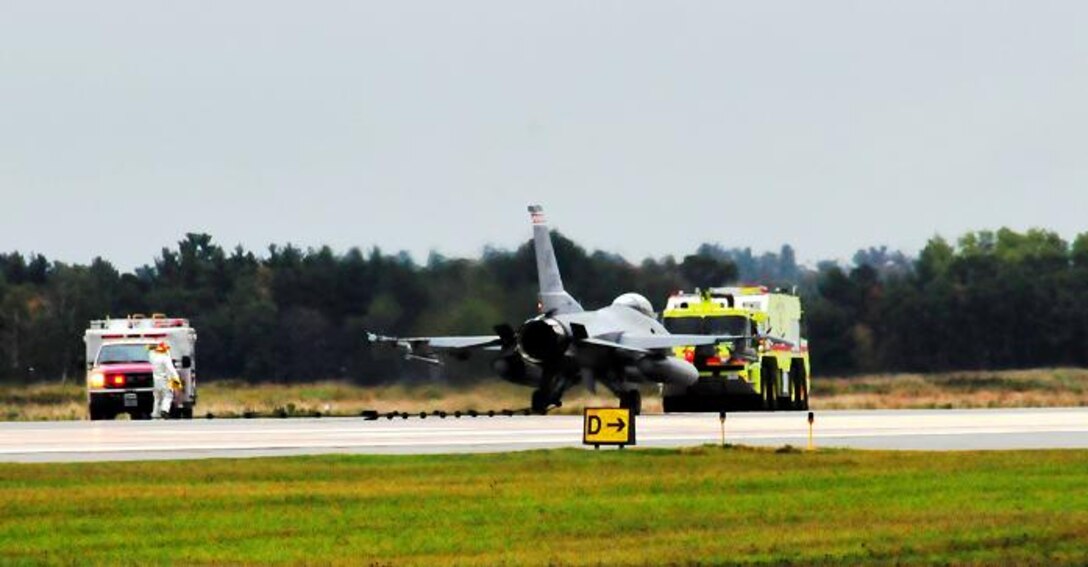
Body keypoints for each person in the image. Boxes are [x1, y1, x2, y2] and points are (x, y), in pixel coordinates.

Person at [148, 342, 181, 419]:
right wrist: (177, 380)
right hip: (164, 380)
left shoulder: (153, 358)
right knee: (168, 396)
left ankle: (155, 413)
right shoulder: (165, 358)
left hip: (156, 381)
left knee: (157, 398)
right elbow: (171, 370)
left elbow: (150, 351)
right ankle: (164, 410)